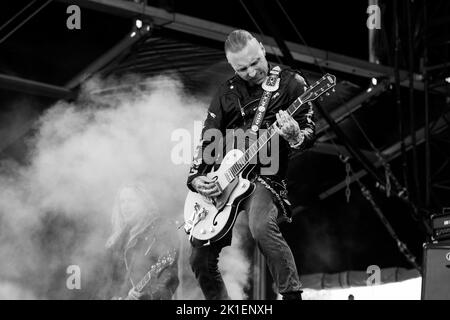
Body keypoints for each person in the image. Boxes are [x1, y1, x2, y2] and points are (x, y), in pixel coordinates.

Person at [186, 30, 315, 300]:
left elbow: (307, 132)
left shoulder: (292, 83)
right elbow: (208, 138)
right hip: (224, 178)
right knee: (198, 254)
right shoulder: (226, 92)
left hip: (264, 176)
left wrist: (295, 135)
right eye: (242, 68)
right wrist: (197, 178)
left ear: (263, 51)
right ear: (232, 67)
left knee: (261, 228)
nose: (252, 71)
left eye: (255, 62)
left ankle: (292, 296)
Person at [97, 183, 179, 300]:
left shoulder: (159, 229)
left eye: (131, 201)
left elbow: (169, 275)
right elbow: (108, 281)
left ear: (144, 203)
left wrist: (147, 293)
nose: (126, 206)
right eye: (122, 202)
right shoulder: (117, 240)